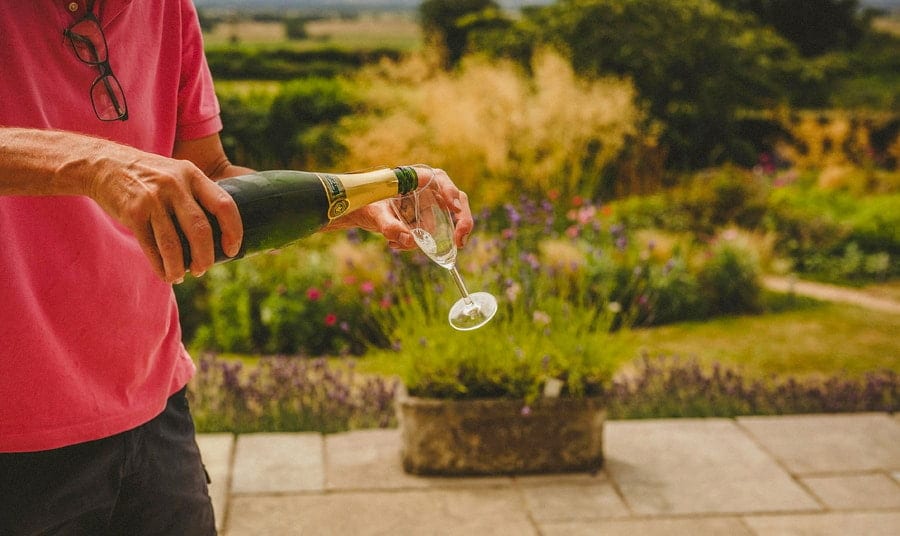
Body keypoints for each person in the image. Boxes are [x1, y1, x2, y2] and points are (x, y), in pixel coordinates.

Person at [0, 1, 473, 534]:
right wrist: (94, 164)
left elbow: (211, 177)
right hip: (13, 439)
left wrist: (363, 202)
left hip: (153, 410)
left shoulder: (166, 8)